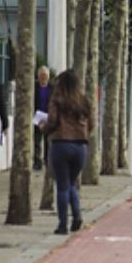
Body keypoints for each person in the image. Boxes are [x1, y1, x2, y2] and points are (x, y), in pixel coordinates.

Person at [41, 70, 93, 235]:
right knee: (72, 183)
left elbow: (53, 121)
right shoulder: (83, 100)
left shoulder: (57, 99)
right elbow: (91, 123)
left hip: (61, 144)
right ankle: (77, 215)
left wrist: (44, 127)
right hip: (80, 146)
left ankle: (63, 224)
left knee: (62, 185)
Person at [33, 66, 53, 170]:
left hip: (48, 118)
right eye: (41, 75)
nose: (43, 78)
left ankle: (47, 160)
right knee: (36, 141)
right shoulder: (34, 87)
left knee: (48, 142)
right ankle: (37, 161)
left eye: (45, 76)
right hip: (36, 117)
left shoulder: (52, 88)